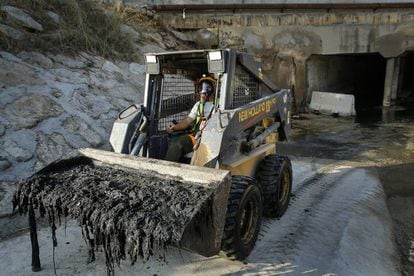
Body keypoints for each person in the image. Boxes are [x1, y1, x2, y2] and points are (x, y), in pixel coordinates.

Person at [164, 75, 216, 162]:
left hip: (211, 139)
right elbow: (187, 121)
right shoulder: (199, 105)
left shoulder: (219, 105)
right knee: (176, 144)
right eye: (202, 87)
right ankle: (165, 171)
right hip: (195, 137)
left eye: (207, 87)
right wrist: (175, 127)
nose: (203, 90)